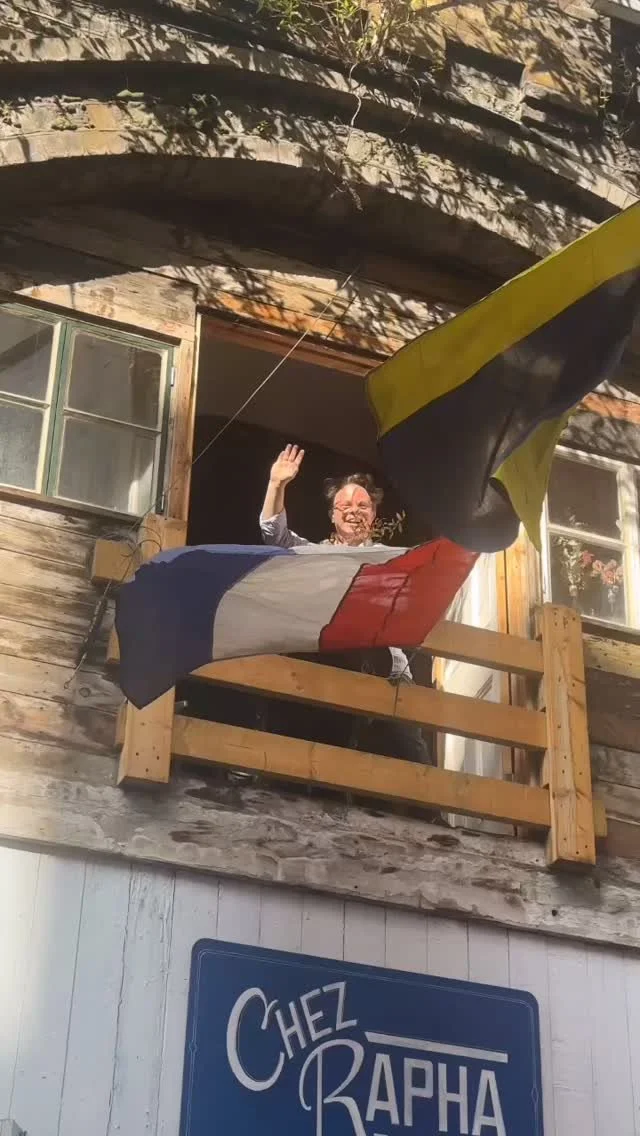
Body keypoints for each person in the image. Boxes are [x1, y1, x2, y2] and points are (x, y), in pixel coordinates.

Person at [259, 443, 433, 765]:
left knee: (410, 747)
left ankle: (427, 798)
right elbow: (275, 535)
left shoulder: (391, 559)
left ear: (374, 514)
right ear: (333, 515)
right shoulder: (317, 555)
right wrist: (276, 484)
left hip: (388, 670)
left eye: (363, 505)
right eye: (345, 505)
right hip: (329, 665)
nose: (354, 510)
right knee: (320, 742)